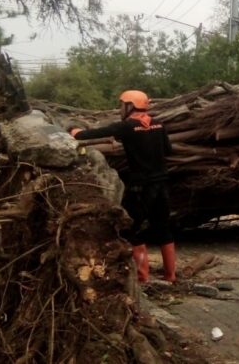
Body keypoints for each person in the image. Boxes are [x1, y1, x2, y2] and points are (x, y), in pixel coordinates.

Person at [70, 90, 176, 283]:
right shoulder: (159, 125)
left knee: (132, 229)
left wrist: (75, 132)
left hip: (141, 187)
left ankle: (142, 277)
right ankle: (171, 276)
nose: (120, 109)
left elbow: (93, 133)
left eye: (121, 105)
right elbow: (167, 150)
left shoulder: (126, 127)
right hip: (162, 184)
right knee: (163, 228)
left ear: (129, 106)